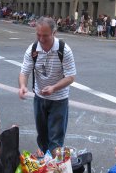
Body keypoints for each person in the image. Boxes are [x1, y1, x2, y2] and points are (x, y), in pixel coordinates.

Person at [18, 17, 77, 153]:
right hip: (39, 98)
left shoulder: (64, 50)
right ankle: (45, 163)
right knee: (42, 137)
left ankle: (54, 165)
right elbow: (24, 72)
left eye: (45, 35)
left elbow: (71, 77)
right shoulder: (33, 49)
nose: (41, 39)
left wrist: (53, 88)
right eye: (38, 35)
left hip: (59, 100)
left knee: (55, 139)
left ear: (54, 33)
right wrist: (22, 86)